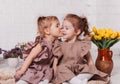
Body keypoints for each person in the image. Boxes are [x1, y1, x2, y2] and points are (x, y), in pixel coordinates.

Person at [52, 14, 109, 84]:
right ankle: (78, 82)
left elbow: (90, 61)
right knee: (60, 69)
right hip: (66, 69)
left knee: (91, 69)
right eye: (62, 27)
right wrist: (54, 73)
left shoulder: (82, 44)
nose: (63, 30)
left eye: (66, 28)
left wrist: (92, 69)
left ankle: (73, 81)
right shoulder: (59, 44)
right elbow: (55, 62)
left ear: (77, 32)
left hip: (80, 69)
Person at [14, 16, 62, 84]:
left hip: (47, 71)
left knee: (46, 80)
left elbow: (55, 62)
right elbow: (30, 57)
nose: (61, 27)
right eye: (57, 26)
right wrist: (22, 70)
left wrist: (55, 76)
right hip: (35, 69)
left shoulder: (57, 45)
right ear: (47, 31)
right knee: (26, 79)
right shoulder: (42, 44)